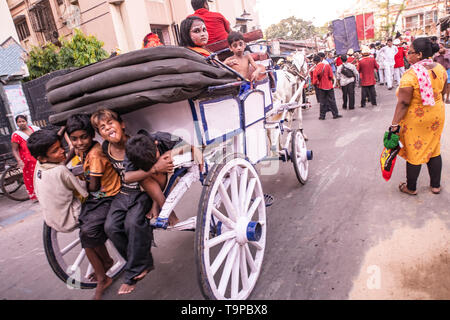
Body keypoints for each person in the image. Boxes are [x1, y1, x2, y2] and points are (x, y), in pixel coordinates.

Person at [90, 108, 173, 295]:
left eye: (111, 123)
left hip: (143, 190)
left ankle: (137, 268)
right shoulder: (105, 148)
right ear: (100, 134)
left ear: (122, 124)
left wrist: (154, 201)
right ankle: (138, 261)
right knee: (110, 226)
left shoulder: (136, 144)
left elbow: (154, 168)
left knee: (133, 222)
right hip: (124, 192)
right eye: (102, 127)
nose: (108, 128)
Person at [65, 114, 121, 300]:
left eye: (84, 137)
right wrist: (63, 165)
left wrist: (73, 182)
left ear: (92, 136)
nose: (79, 142)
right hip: (96, 198)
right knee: (84, 231)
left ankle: (104, 267)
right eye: (74, 138)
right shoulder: (81, 148)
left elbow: (94, 187)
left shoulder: (95, 154)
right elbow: (74, 150)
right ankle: (103, 269)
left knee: (89, 229)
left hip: (109, 196)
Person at [390, 37, 446, 195]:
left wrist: (394, 124)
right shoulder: (439, 68)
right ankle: (435, 186)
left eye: (410, 52)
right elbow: (441, 90)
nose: (407, 55)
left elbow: (403, 103)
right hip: (436, 115)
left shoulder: (410, 75)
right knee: (434, 148)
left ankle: (411, 187)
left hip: (417, 120)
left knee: (415, 149)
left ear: (419, 54)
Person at [124, 130, 186, 225]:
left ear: (156, 144)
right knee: (143, 175)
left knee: (165, 157)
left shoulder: (162, 137)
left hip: (173, 173)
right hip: (153, 182)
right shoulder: (132, 152)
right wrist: (155, 168)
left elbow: (187, 147)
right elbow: (127, 178)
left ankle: (160, 206)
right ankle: (165, 209)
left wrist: (167, 156)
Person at [11, 115, 40, 201]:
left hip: (39, 156)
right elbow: (15, 150)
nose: (21, 123)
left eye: (23, 121)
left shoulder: (34, 129)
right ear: (16, 123)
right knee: (32, 177)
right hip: (28, 160)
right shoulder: (16, 135)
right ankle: (37, 195)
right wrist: (19, 161)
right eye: (19, 122)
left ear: (26, 121)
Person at [312, 54, 342, 120]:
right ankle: (335, 114)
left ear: (315, 62)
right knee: (332, 101)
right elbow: (331, 76)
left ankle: (322, 116)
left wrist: (317, 83)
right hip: (329, 85)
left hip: (321, 86)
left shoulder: (316, 68)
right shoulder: (327, 65)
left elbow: (314, 81)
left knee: (322, 102)